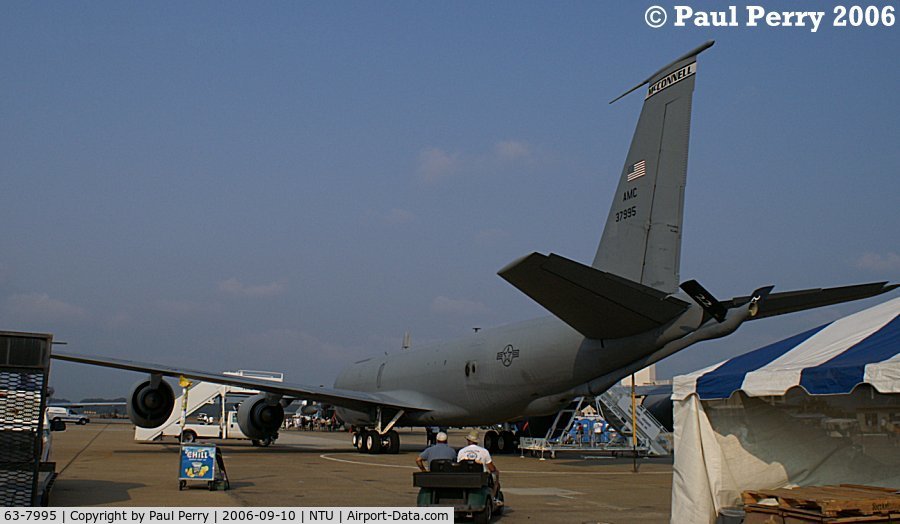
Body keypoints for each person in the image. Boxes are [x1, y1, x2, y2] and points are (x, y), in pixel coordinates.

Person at [457, 430, 500, 500]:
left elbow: (459, 465)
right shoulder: (484, 451)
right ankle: (493, 497)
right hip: (480, 477)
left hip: (465, 477)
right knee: (496, 475)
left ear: (468, 440)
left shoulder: (461, 451)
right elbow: (491, 468)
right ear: (477, 441)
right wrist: (495, 470)